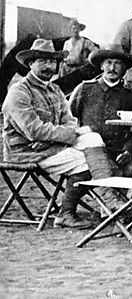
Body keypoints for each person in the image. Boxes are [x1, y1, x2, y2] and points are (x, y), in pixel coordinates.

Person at [1, 38, 115, 228]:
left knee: (92, 137)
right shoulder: (19, 91)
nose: (49, 66)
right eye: (42, 61)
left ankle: (109, 198)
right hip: (26, 151)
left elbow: (70, 122)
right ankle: (67, 212)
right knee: (85, 162)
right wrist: (60, 137)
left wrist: (54, 139)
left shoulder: (54, 90)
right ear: (30, 63)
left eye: (52, 61)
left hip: (49, 146)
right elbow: (34, 130)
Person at [67, 47, 132, 176]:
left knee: (127, 173)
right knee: (80, 177)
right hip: (87, 150)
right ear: (101, 66)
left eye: (117, 64)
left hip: (117, 152)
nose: (112, 68)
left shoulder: (130, 96)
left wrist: (128, 150)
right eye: (108, 63)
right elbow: (68, 119)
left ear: (124, 69)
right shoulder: (84, 89)